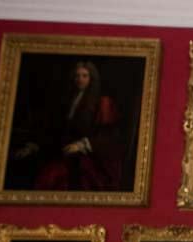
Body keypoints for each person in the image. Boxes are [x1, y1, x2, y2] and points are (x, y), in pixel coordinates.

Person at [11, 61, 124, 192]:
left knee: (57, 178)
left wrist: (81, 145)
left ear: (91, 78)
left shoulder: (103, 102)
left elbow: (108, 136)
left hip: (88, 158)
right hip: (63, 151)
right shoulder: (68, 100)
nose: (80, 79)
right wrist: (33, 146)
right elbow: (56, 130)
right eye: (77, 76)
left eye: (84, 75)